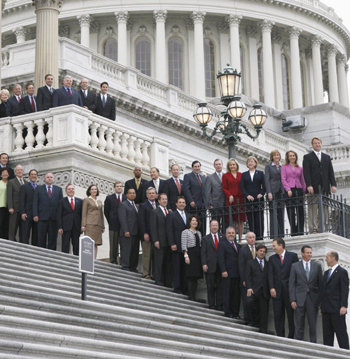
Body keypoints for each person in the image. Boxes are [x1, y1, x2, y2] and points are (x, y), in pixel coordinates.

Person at [289, 245, 323, 343]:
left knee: (313, 324)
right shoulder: (295, 266)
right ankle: (297, 343)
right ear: (302, 254)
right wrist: (292, 299)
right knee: (298, 324)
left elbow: (320, 284)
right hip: (299, 299)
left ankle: (313, 344)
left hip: (313, 299)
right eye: (307, 253)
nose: (309, 254)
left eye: (310, 253)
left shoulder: (317, 266)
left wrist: (320, 301)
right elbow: (292, 284)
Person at [303, 137, 337, 233]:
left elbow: (331, 172)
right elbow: (306, 173)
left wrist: (333, 184)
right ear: (312, 145)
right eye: (315, 143)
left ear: (321, 144)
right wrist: (309, 185)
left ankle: (322, 227)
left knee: (324, 208)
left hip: (325, 186)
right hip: (313, 187)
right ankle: (313, 228)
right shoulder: (307, 157)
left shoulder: (326, 157)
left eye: (319, 143)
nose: (317, 144)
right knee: (312, 208)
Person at [268, 238, 298, 338]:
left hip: (289, 291)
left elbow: (296, 274)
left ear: (281, 245)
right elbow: (270, 275)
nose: (273, 248)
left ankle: (291, 336)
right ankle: (280, 335)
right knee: (278, 314)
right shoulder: (272, 259)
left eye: (274, 246)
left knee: (291, 315)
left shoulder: (293, 256)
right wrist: (272, 287)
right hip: (277, 292)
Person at [321, 251, 349, 350]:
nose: (326, 259)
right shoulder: (326, 273)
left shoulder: (342, 272)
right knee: (327, 336)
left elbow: (344, 290)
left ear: (333, 258)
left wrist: (344, 306)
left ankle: (346, 354)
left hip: (337, 309)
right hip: (326, 309)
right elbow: (323, 291)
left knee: (341, 334)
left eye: (327, 257)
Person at [33, 172, 63, 250]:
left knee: (52, 239)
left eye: (51, 177)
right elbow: (35, 202)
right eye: (48, 177)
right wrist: (35, 214)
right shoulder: (38, 189)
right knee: (41, 238)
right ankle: (40, 254)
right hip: (42, 217)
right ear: (44, 179)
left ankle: (51, 255)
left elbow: (60, 206)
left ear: (53, 179)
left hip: (54, 218)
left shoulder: (58, 189)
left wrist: (60, 218)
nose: (49, 179)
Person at [240, 156, 266, 241]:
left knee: (259, 219)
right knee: (251, 220)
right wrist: (247, 195)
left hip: (258, 200)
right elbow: (242, 187)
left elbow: (264, 185)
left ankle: (260, 237)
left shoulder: (260, 173)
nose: (250, 163)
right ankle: (252, 238)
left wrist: (261, 194)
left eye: (252, 161)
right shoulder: (244, 175)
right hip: (248, 200)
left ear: (255, 163)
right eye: (249, 162)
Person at [166, 196, 188, 294]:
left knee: (185, 268)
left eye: (183, 202)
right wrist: (172, 243)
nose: (182, 204)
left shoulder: (189, 215)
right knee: (176, 267)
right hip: (176, 245)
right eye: (180, 202)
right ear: (176, 204)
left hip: (186, 246)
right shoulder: (172, 215)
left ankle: (184, 287)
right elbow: (169, 230)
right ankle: (177, 287)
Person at [218, 226, 241, 319]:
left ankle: (235, 313)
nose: (231, 234)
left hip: (237, 273)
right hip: (227, 273)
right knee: (227, 293)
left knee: (236, 294)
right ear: (226, 234)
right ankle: (228, 312)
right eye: (229, 233)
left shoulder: (238, 245)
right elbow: (220, 258)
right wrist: (223, 270)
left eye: (233, 233)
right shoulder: (222, 244)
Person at [281, 150, 306, 236]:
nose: (292, 157)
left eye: (293, 155)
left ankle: (300, 230)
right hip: (289, 190)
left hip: (298, 189)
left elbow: (302, 180)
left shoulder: (300, 168)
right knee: (290, 210)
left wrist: (304, 190)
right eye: (290, 156)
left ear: (296, 157)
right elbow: (283, 179)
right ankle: (293, 231)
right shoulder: (284, 167)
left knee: (300, 210)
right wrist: (288, 189)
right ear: (288, 157)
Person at [246, 244, 270, 333]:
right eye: (261, 251)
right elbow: (248, 276)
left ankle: (263, 329)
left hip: (264, 291)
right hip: (254, 290)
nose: (262, 253)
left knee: (264, 310)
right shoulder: (250, 263)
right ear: (256, 251)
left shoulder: (268, 264)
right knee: (250, 304)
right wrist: (249, 287)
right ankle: (253, 322)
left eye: (264, 252)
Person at [201, 219, 223, 310]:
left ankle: (219, 304)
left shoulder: (223, 237)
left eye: (216, 225)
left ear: (218, 226)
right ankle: (211, 304)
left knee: (219, 286)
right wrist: (204, 264)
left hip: (220, 266)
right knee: (210, 286)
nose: (214, 227)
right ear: (210, 227)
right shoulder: (205, 238)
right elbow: (203, 252)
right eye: (213, 225)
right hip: (210, 265)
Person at [150, 193, 172, 286]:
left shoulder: (170, 212)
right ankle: (158, 280)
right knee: (159, 261)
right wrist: (155, 240)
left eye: (166, 199)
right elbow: (153, 227)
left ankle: (167, 281)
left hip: (168, 242)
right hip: (159, 241)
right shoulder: (155, 212)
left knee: (167, 262)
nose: (165, 201)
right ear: (158, 201)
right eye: (163, 199)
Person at [222, 158, 245, 240]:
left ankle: (241, 238)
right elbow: (224, 188)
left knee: (241, 220)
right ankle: (234, 238)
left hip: (240, 199)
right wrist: (229, 195)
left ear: (236, 165)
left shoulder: (241, 175)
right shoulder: (225, 175)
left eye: (233, 164)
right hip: (231, 200)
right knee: (234, 221)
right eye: (230, 165)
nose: (232, 166)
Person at [57, 184, 83, 255]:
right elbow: (59, 215)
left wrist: (82, 226)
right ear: (66, 191)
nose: (71, 190)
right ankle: (65, 259)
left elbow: (82, 215)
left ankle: (76, 260)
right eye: (69, 189)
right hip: (66, 226)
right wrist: (59, 227)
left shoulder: (80, 201)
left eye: (72, 189)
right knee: (65, 245)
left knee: (76, 245)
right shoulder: (62, 201)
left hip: (76, 226)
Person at [181, 215, 203, 301]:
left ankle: (194, 295)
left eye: (196, 221)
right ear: (189, 222)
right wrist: (186, 256)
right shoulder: (185, 232)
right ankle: (190, 295)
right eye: (193, 220)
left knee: (196, 276)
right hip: (190, 254)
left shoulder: (199, 233)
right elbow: (183, 245)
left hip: (198, 256)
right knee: (190, 275)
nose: (194, 222)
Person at [104, 181, 126, 264]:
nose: (119, 187)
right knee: (113, 243)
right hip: (113, 224)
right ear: (114, 187)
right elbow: (106, 211)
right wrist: (110, 220)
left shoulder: (125, 198)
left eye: (120, 186)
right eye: (117, 186)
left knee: (123, 244)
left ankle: (123, 261)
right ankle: (113, 260)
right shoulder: (109, 198)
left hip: (123, 226)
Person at [118, 188, 140, 271]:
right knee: (126, 249)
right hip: (127, 232)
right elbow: (122, 219)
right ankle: (125, 265)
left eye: (134, 193)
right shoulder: (123, 205)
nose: (132, 195)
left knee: (134, 250)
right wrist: (125, 230)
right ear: (126, 195)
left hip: (135, 232)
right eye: (130, 193)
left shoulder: (136, 206)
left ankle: (133, 266)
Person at [265, 150, 285, 239]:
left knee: (281, 212)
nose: (276, 157)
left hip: (281, 191)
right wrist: (269, 192)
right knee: (273, 212)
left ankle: (281, 234)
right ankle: (273, 234)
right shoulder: (268, 166)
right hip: (273, 191)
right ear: (272, 157)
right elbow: (267, 180)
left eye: (278, 155)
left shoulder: (282, 166)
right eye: (275, 155)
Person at [183, 160, 207, 233]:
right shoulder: (188, 176)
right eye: (195, 166)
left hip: (202, 206)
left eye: (198, 166)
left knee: (202, 225)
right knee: (194, 225)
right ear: (192, 168)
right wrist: (190, 200)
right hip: (193, 206)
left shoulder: (203, 178)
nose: (197, 168)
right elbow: (186, 189)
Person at [139, 187, 158, 279]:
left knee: (155, 255)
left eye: (153, 193)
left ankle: (154, 273)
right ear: (147, 195)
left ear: (156, 195)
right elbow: (141, 221)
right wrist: (144, 233)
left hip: (156, 236)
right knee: (147, 254)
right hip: (147, 234)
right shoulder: (143, 205)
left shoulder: (159, 205)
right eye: (149, 193)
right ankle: (146, 273)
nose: (151, 194)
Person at [81, 184, 104, 259]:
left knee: (96, 243)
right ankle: (89, 259)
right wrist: (83, 225)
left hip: (98, 225)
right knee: (89, 242)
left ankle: (94, 259)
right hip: (90, 224)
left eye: (95, 189)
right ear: (89, 191)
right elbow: (84, 213)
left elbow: (101, 214)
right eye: (92, 189)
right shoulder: (87, 199)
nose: (94, 191)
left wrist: (102, 226)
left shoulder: (99, 201)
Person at [238, 231, 256, 325]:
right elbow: (241, 266)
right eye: (250, 237)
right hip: (247, 279)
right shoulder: (243, 250)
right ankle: (247, 319)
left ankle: (254, 320)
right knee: (247, 300)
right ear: (246, 239)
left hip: (256, 279)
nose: (252, 239)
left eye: (253, 237)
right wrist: (244, 279)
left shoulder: (258, 249)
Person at [19, 169, 38, 245]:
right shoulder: (24, 187)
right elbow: (21, 200)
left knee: (36, 234)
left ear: (37, 176)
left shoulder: (39, 188)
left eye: (35, 174)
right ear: (29, 176)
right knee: (25, 233)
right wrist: (22, 212)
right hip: (27, 213)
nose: (33, 176)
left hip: (36, 214)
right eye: (32, 174)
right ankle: (24, 249)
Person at [7, 165, 26, 241]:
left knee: (23, 230)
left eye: (21, 170)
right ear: (15, 172)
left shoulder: (26, 182)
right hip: (14, 209)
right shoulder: (11, 182)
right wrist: (10, 207)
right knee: (12, 229)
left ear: (23, 171)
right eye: (18, 170)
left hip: (24, 210)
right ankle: (11, 244)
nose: (19, 171)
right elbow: (9, 195)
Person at [205, 159, 225, 229]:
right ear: (214, 166)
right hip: (215, 205)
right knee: (215, 225)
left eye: (219, 164)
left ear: (222, 165)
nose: (218, 166)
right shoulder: (210, 177)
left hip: (225, 204)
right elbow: (208, 192)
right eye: (216, 164)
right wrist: (210, 204)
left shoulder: (226, 176)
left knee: (225, 225)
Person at [0, 168, 10, 239]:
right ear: (1, 175)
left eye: (6, 173)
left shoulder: (11, 183)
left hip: (9, 207)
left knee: (7, 224)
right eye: (3, 173)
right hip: (1, 206)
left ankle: (6, 238)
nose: (5, 174)